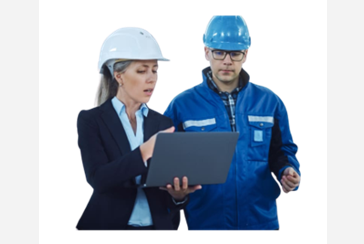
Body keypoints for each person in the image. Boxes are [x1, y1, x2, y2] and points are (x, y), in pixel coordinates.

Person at [164, 16, 301, 230]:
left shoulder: (269, 102)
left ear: (245, 54)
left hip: (261, 223)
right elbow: (166, 163)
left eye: (235, 53)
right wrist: (176, 194)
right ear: (206, 51)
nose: (227, 61)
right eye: (219, 52)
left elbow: (281, 151)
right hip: (207, 223)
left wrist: (288, 170)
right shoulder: (182, 106)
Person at [76, 27, 201, 230]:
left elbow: (168, 198)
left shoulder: (164, 124)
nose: (151, 78)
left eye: (154, 70)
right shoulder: (91, 120)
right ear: (119, 76)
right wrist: (144, 152)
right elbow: (98, 179)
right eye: (142, 71)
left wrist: (178, 196)